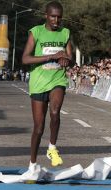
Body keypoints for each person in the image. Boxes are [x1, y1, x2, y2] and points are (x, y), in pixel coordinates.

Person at [22, 1, 73, 171]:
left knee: (55, 111)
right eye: (53, 16)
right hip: (38, 83)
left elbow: (70, 59)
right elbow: (25, 59)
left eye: (59, 17)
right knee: (38, 128)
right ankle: (32, 164)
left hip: (57, 80)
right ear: (46, 15)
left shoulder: (65, 33)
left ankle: (52, 148)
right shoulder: (36, 32)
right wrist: (51, 57)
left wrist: (66, 59)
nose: (56, 20)